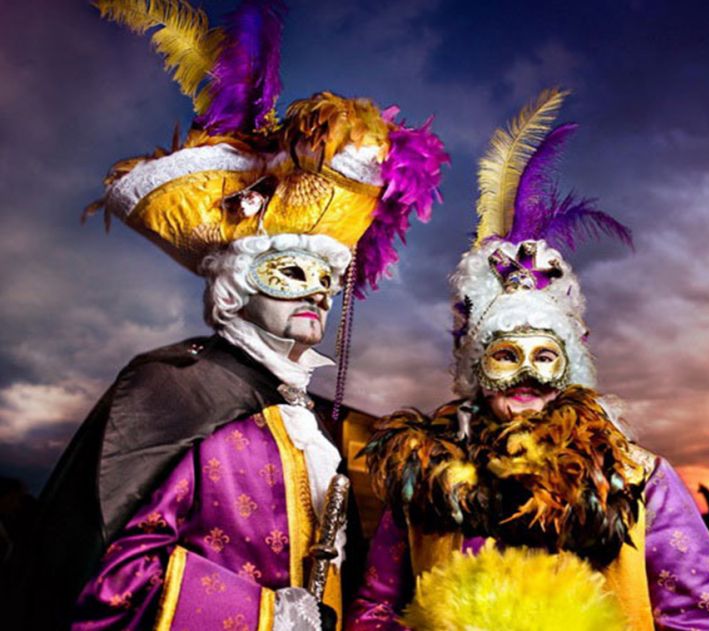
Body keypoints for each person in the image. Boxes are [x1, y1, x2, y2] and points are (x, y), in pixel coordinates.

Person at [1, 2, 447, 629]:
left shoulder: (310, 419)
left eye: (327, 278)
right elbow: (105, 574)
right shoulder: (174, 389)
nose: (319, 292)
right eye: (291, 272)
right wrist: (264, 617)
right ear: (234, 290)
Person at [345, 89, 709, 630]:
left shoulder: (636, 477)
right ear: (475, 370)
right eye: (506, 355)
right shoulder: (424, 476)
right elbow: (374, 609)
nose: (528, 374)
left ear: (570, 367)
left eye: (545, 355)